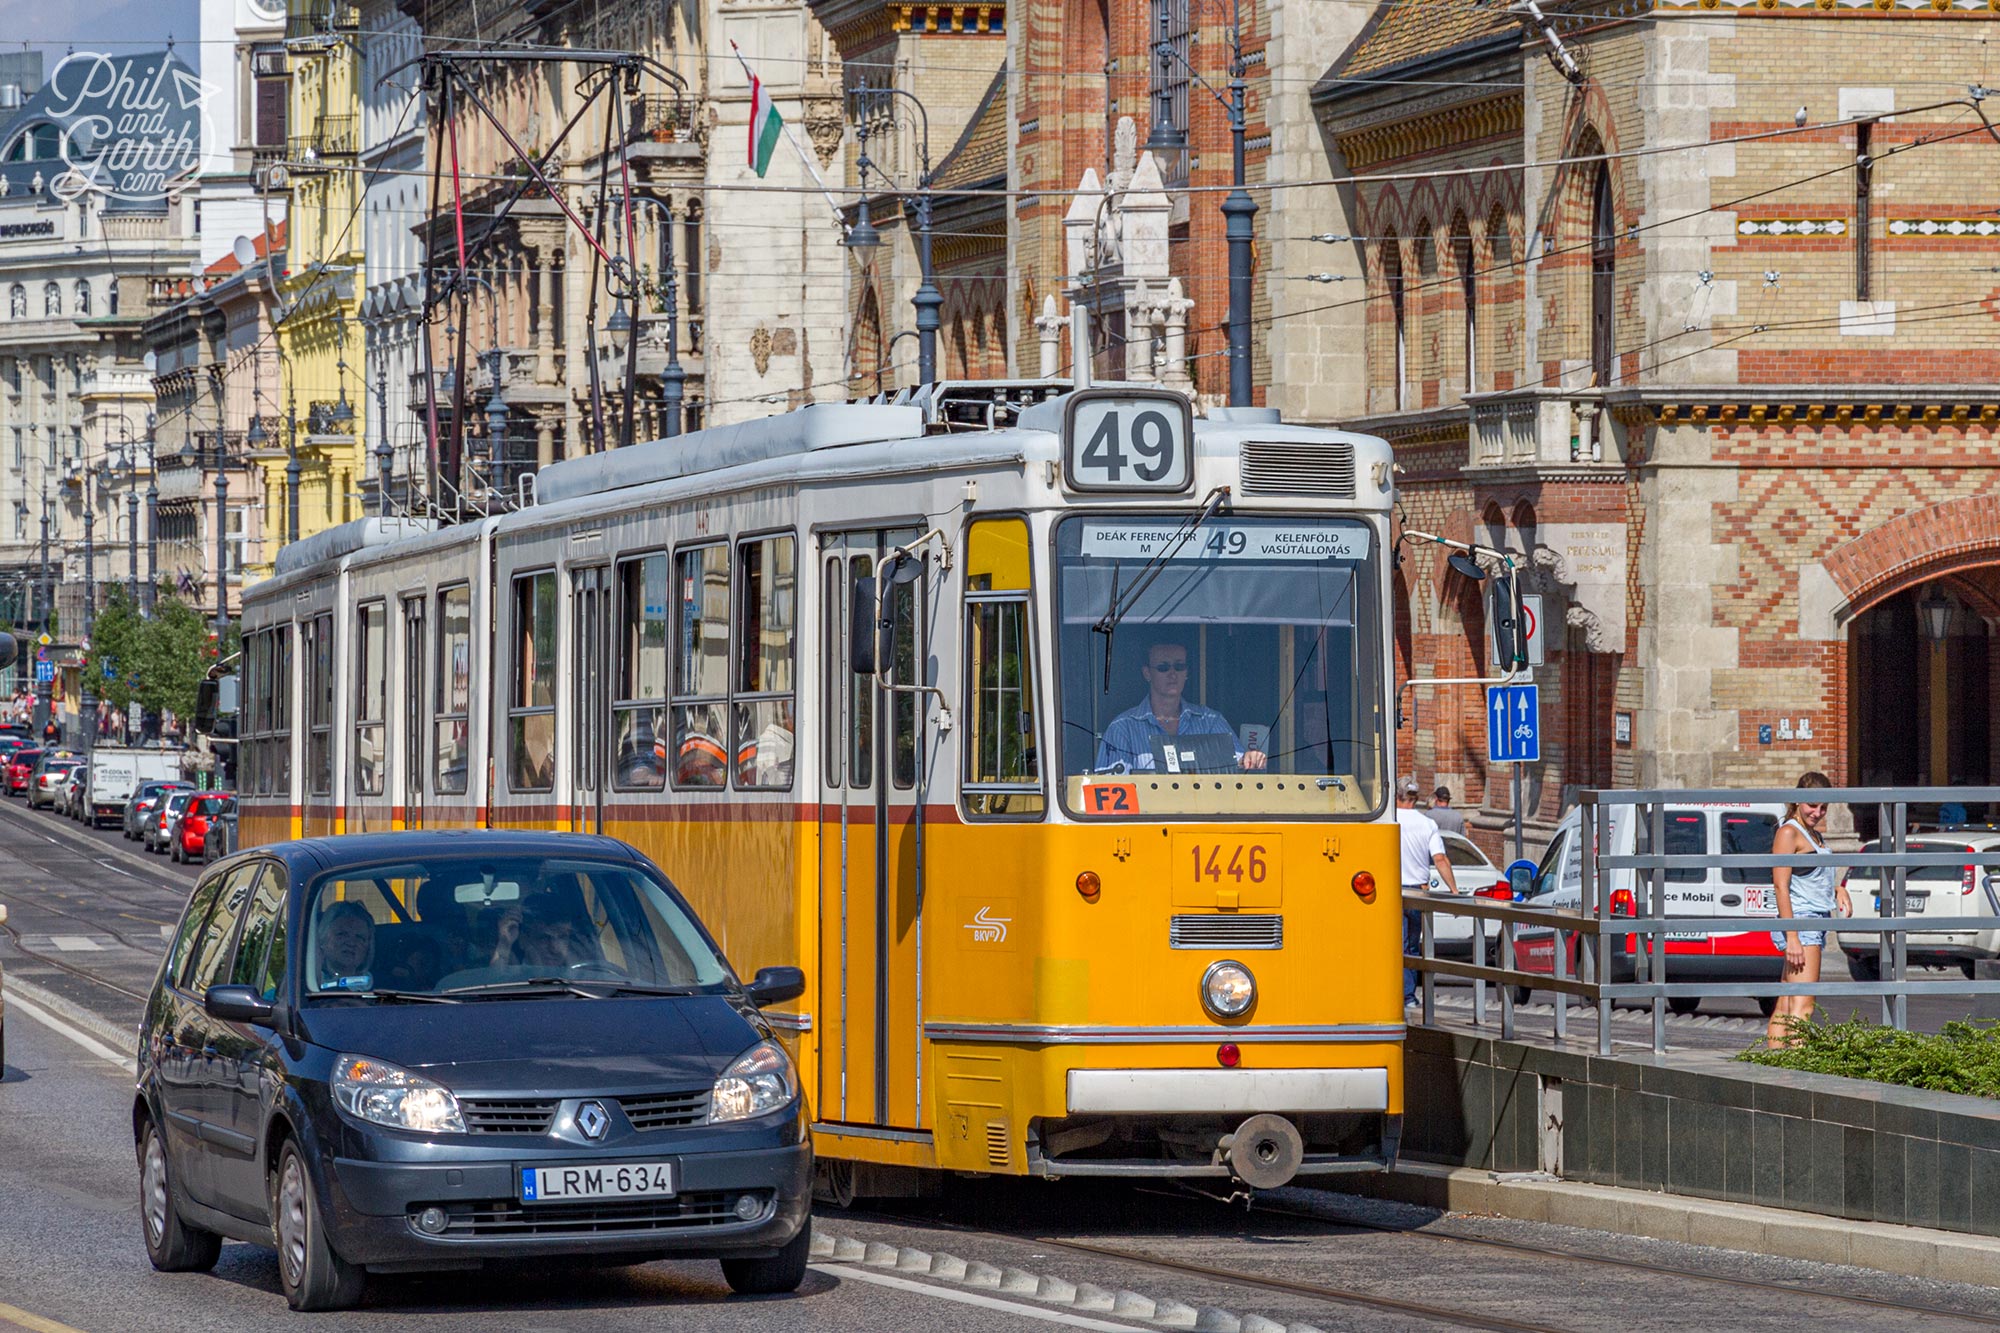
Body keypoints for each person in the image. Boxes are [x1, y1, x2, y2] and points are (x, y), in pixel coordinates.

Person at [1765, 771, 1848, 1048]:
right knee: (1804, 1005)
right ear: (1799, 800)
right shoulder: (1789, 832)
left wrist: (1837, 889)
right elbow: (1781, 885)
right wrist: (1792, 937)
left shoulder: (1810, 833)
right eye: (1812, 805)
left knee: (1787, 1003)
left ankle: (1774, 1068)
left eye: (1823, 807)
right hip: (1802, 923)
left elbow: (1810, 875)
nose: (1818, 812)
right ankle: (1798, 1071)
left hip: (1808, 921)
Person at [1095, 640, 1268, 773]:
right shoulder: (1122, 728)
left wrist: (1250, 759)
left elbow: (1238, 767)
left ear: (1186, 672)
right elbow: (1108, 792)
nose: (1172, 674)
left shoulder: (1211, 721)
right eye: (1163, 667)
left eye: (1179, 666)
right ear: (1147, 673)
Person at [1397, 777, 1458, 1004]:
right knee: (1411, 947)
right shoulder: (1427, 824)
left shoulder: (1387, 820)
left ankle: (1393, 995)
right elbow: (1440, 859)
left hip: (1391, 892)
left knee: (1394, 945)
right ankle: (1408, 996)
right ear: (1416, 798)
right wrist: (1454, 891)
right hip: (1418, 892)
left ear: (1396, 795)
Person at [314, 901, 376, 990]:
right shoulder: (309, 983)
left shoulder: (382, 987)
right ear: (323, 939)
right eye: (341, 934)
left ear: (368, 948)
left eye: (359, 937)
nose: (351, 943)